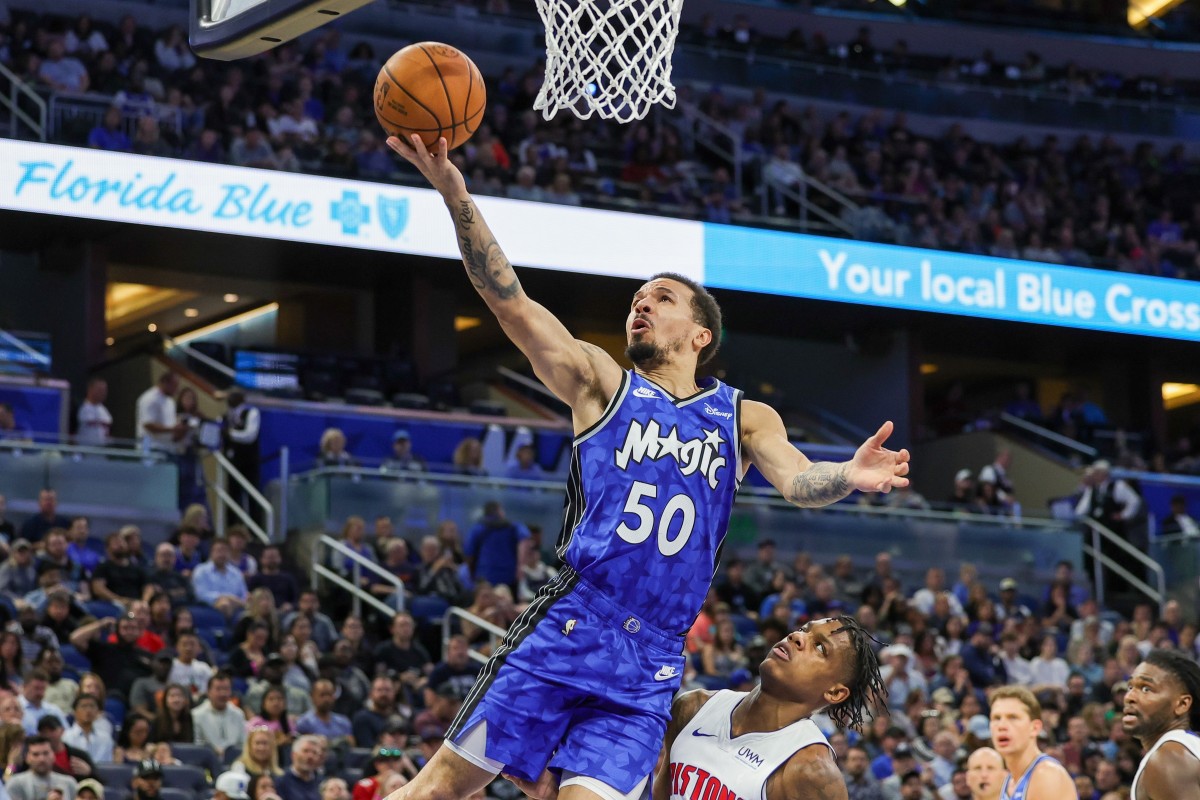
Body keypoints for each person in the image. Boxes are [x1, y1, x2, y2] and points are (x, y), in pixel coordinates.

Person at [382, 130, 910, 800]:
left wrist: (848, 476)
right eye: (636, 297)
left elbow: (798, 480)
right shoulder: (601, 382)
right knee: (436, 792)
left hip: (650, 664)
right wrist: (456, 195)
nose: (640, 303)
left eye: (659, 298)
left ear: (700, 336)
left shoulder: (742, 418)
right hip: (571, 625)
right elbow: (508, 300)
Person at [508, 617, 885, 800]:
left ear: (835, 692)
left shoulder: (810, 770)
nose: (799, 637)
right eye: (804, 628)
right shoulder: (694, 707)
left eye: (821, 648)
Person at [1125, 649, 1200, 799]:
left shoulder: (1167, 759)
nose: (1129, 697)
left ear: (1182, 704)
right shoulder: (1186, 748)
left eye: (1146, 689)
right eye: (1131, 687)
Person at [987, 686, 1075, 799]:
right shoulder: (1008, 782)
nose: (1001, 726)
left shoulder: (1046, 775)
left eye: (1013, 717)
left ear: (1035, 728)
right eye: (996, 718)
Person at [223, 391, 261, 515]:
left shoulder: (252, 413)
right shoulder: (225, 417)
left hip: (249, 461)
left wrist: (231, 434)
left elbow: (250, 436)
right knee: (232, 495)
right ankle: (232, 527)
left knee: (252, 495)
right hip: (232, 462)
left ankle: (254, 530)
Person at [5, 735, 77, 800]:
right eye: (35, 754)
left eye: (46, 753)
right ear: (27, 757)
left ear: (53, 755)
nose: (41, 759)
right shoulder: (16, 784)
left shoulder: (69, 783)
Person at [75, 379, 112, 448]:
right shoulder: (79, 407)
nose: (103, 393)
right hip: (83, 451)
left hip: (100, 452)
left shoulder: (105, 411)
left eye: (105, 390)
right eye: (100, 390)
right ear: (90, 389)